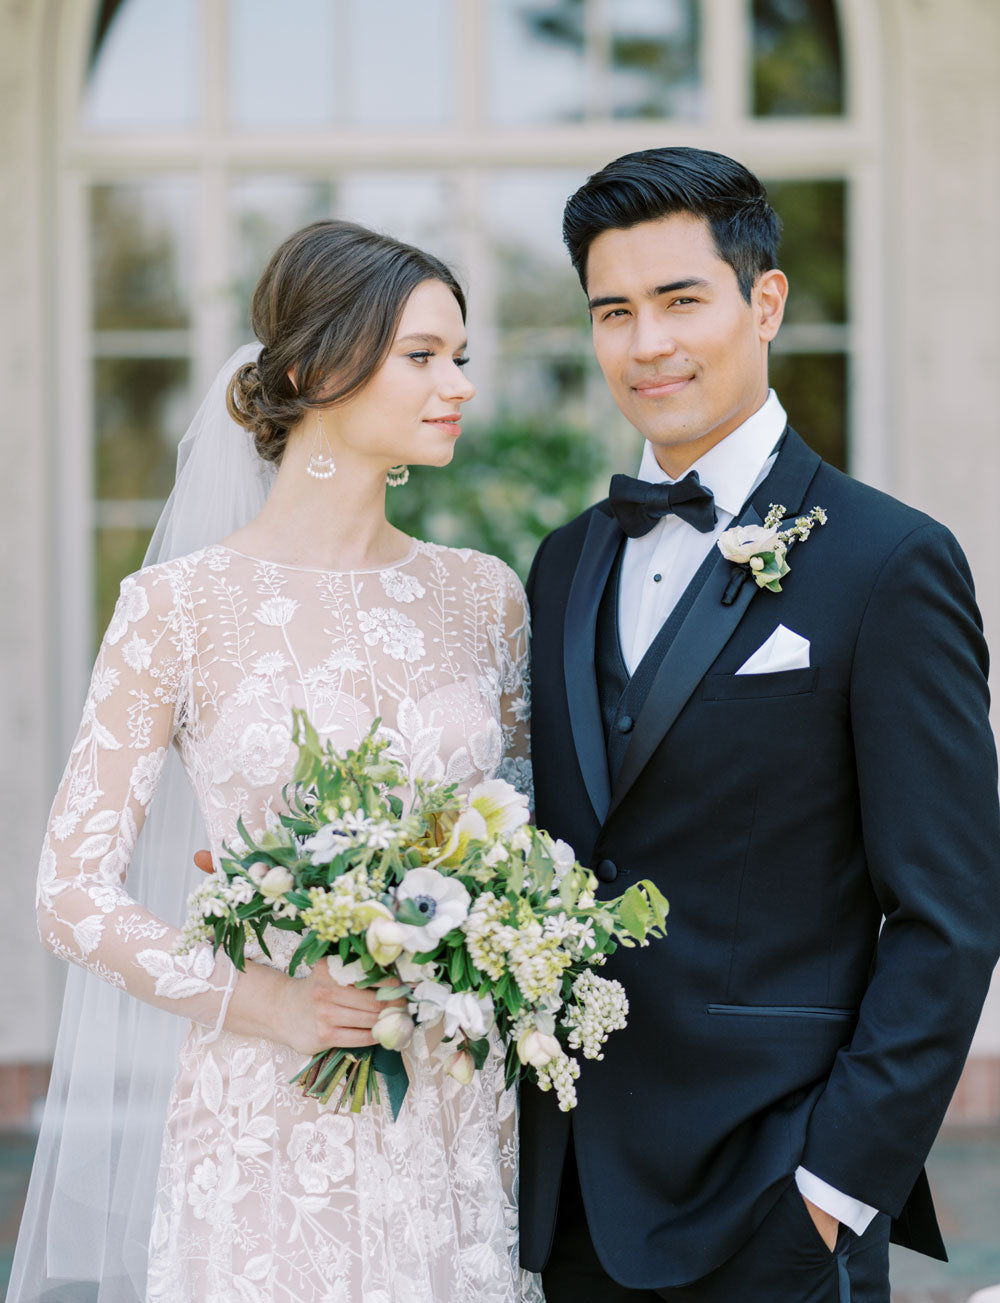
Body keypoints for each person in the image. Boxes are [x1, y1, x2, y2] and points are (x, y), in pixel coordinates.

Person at [14, 220, 542, 1302]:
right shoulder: (178, 607)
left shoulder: (484, 594)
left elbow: (522, 842)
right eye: (423, 356)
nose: (459, 385)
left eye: (462, 356)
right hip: (265, 1102)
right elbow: (68, 895)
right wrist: (264, 1001)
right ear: (310, 368)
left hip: (449, 1102)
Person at [519, 146, 1000, 1301]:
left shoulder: (888, 562)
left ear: (764, 300)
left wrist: (833, 1192)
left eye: (682, 300)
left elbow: (948, 912)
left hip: (772, 1199)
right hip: (570, 1192)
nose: (648, 345)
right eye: (614, 311)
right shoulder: (564, 560)